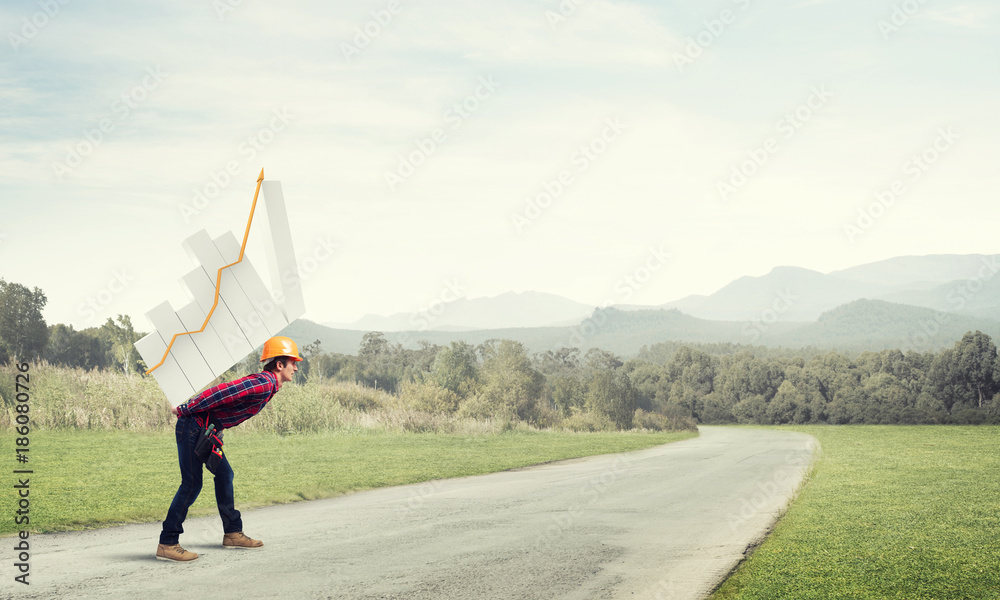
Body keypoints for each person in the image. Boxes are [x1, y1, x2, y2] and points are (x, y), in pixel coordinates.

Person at [155, 335, 302, 562]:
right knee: (192, 484)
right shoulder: (264, 383)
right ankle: (168, 542)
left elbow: (227, 406)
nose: (296, 368)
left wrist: (217, 429)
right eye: (293, 363)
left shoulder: (269, 385)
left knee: (225, 474)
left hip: (205, 430)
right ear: (280, 364)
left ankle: (233, 533)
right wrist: (185, 409)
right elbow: (221, 393)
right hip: (193, 425)